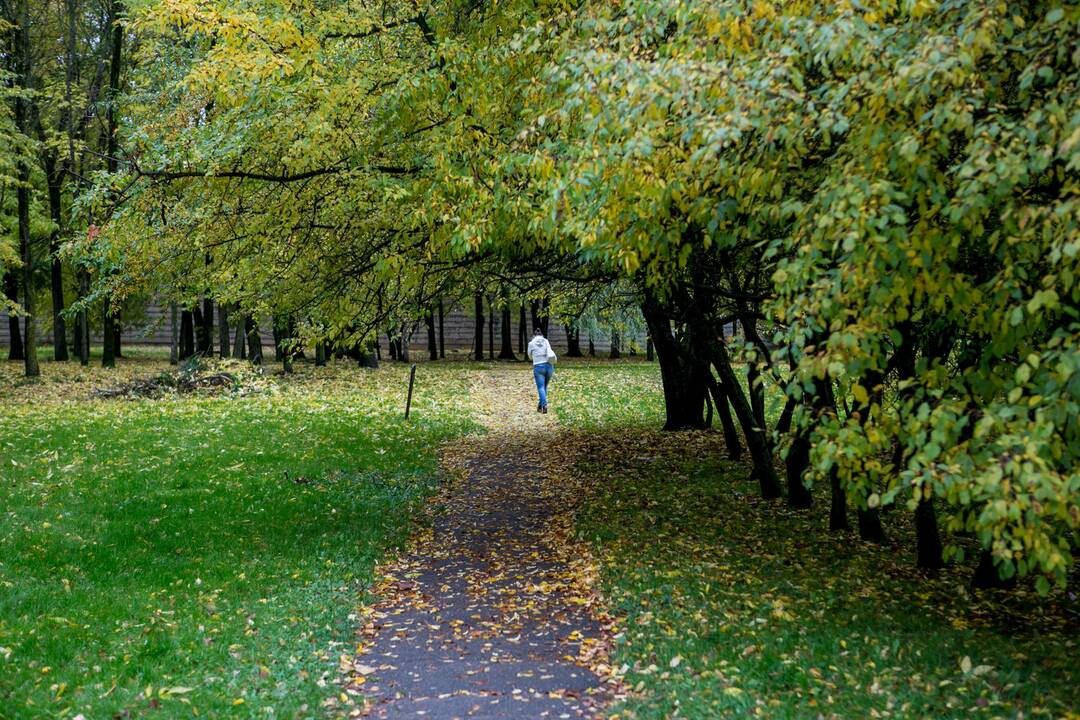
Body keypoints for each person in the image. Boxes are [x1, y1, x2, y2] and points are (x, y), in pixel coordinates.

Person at [527, 327, 556, 413]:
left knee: (540, 387)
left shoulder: (531, 343)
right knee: (545, 387)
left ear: (534, 335)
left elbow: (529, 356)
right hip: (549, 366)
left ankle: (544, 405)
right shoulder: (546, 341)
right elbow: (550, 353)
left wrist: (535, 357)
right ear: (541, 335)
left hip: (538, 367)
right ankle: (540, 406)